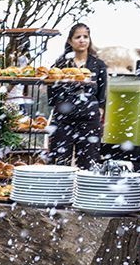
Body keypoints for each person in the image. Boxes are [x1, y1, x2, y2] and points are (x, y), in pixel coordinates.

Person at [45, 22, 108, 167]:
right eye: (78, 37)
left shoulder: (98, 65)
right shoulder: (60, 64)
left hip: (89, 118)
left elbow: (102, 93)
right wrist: (60, 104)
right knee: (59, 161)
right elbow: (52, 90)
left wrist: (98, 111)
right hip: (64, 117)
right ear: (70, 41)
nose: (82, 40)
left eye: (85, 37)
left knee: (89, 162)